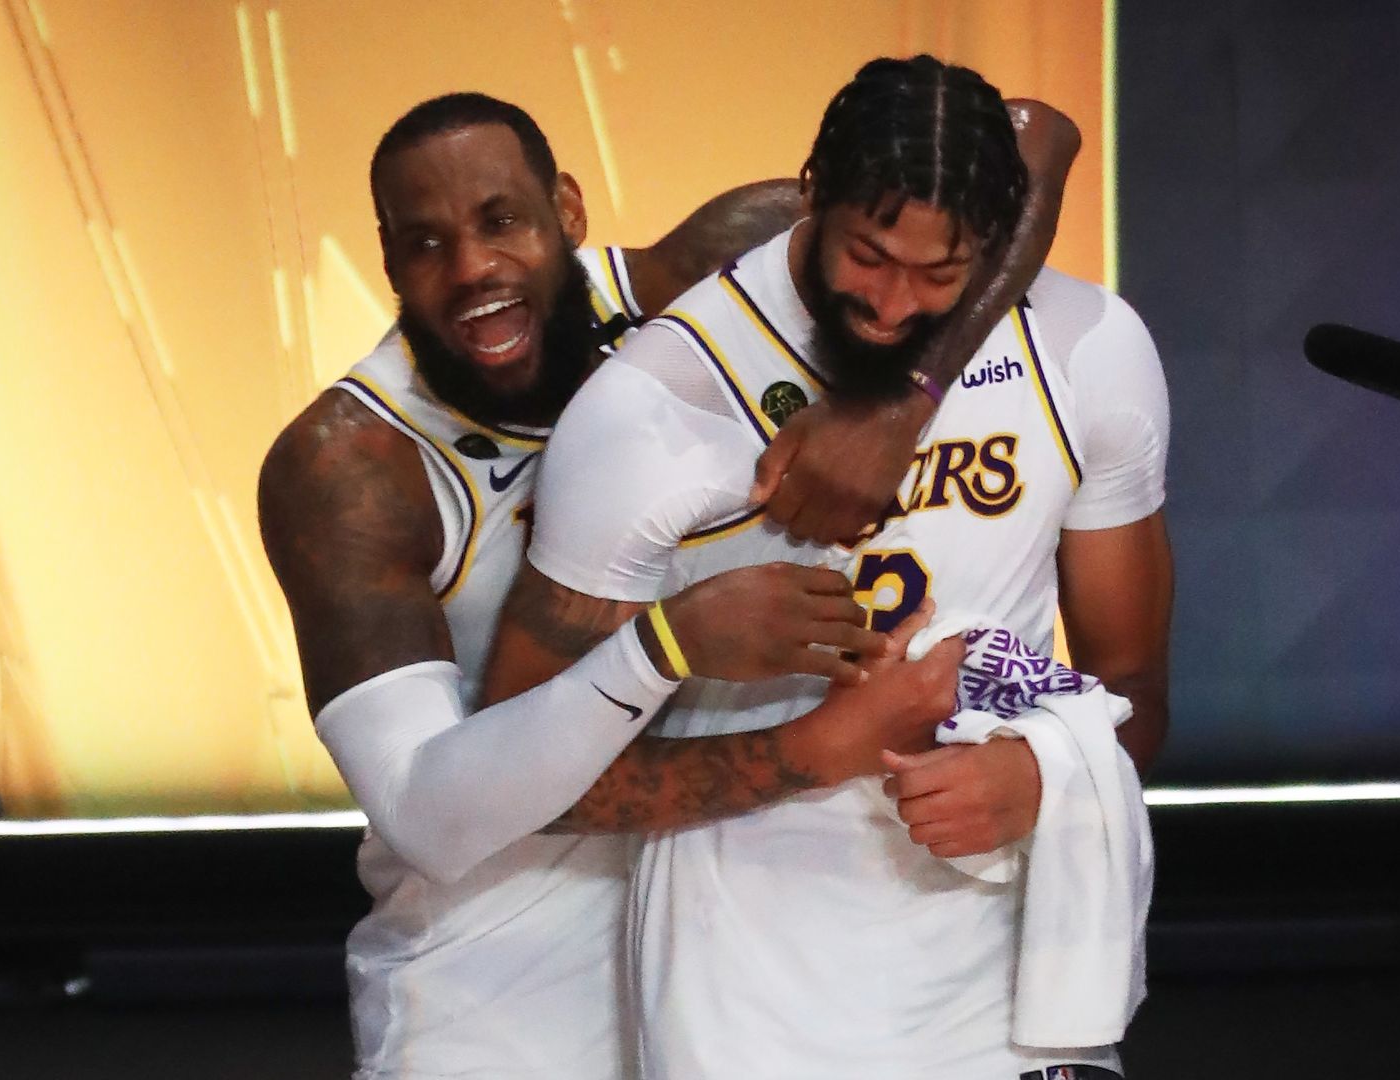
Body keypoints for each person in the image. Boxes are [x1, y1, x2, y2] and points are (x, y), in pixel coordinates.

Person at [258, 89, 1076, 1078]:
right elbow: (428, 819)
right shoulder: (350, 468)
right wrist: (671, 651)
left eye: (502, 221)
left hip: (735, 960)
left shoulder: (702, 287)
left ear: (567, 209)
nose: (472, 270)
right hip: (501, 994)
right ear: (387, 261)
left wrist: (910, 398)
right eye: (425, 244)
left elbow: (1031, 138)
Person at [484, 55, 1172, 1077]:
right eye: (870, 255)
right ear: (811, 191)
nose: (895, 305)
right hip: (748, 992)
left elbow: (1136, 691)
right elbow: (517, 778)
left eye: (941, 275)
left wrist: (1043, 775)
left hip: (1014, 975)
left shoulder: (1088, 347)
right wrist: (816, 745)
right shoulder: (655, 405)